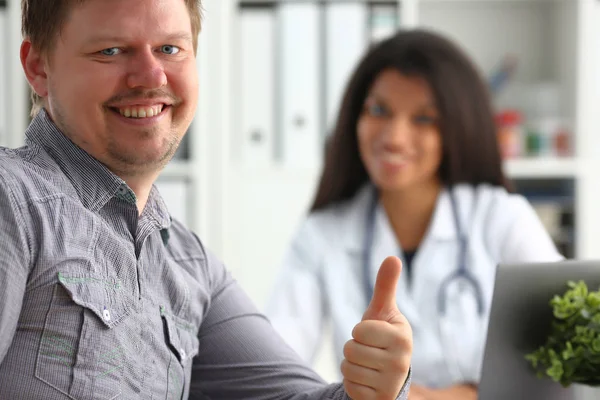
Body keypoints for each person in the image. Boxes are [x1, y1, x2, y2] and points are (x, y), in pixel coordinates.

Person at [0, 0, 413, 399]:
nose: (151, 76)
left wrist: (376, 388)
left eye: (169, 49)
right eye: (111, 51)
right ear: (39, 67)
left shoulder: (190, 266)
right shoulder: (11, 198)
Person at [265, 29, 564, 399]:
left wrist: (431, 396)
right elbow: (275, 370)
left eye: (423, 119)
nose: (393, 137)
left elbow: (561, 359)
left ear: (455, 129)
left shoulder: (500, 217)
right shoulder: (322, 233)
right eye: (379, 111)